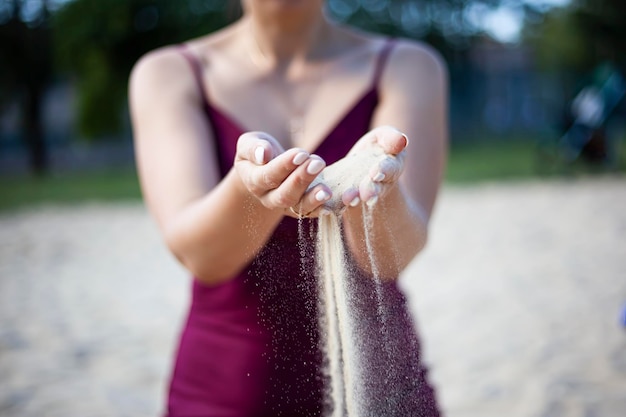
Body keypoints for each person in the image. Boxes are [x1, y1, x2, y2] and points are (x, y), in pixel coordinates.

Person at [129, 0, 448, 415]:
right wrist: (250, 191)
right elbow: (199, 256)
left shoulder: (408, 66)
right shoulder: (169, 73)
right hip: (225, 389)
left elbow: (394, 257)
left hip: (381, 388)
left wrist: (373, 193)